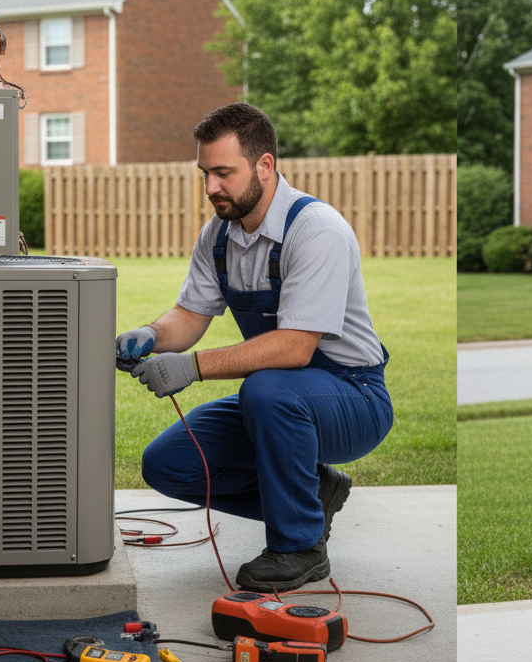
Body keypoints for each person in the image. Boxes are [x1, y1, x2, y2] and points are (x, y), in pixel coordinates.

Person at [116, 103, 392, 591]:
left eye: (223, 173)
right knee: (168, 463)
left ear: (265, 165)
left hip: (354, 397)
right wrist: (152, 334)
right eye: (205, 173)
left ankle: (299, 547)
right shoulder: (218, 237)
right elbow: (191, 315)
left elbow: (296, 347)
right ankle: (314, 494)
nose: (210, 187)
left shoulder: (316, 229)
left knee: (265, 389)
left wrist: (191, 367)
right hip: (282, 399)